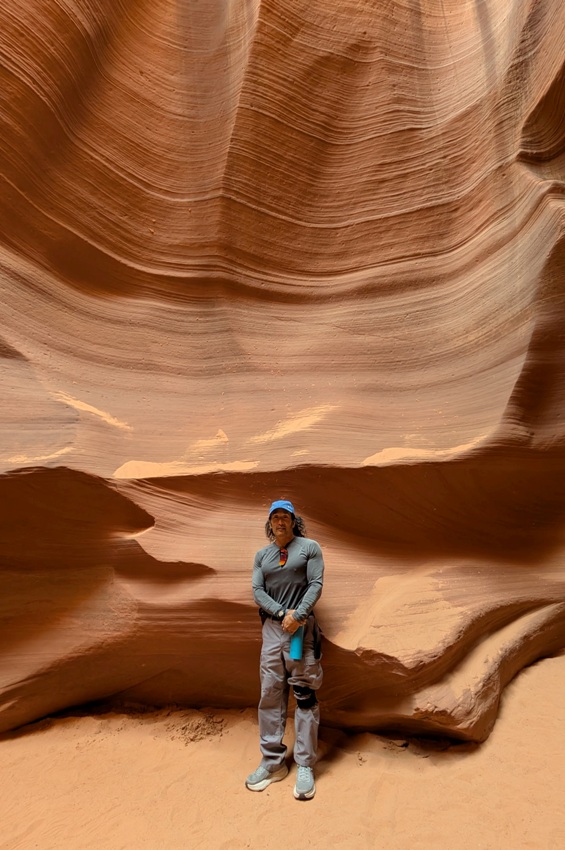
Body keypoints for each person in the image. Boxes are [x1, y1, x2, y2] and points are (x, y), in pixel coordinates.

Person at [245, 499, 324, 801]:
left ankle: (304, 764)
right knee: (270, 693)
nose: (280, 521)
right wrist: (281, 615)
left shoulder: (309, 548)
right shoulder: (262, 556)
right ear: (270, 523)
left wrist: (298, 615)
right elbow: (257, 590)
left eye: (285, 516)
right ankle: (273, 762)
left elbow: (316, 584)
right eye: (275, 517)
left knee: (304, 693)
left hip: (300, 631)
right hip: (273, 630)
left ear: (293, 521)